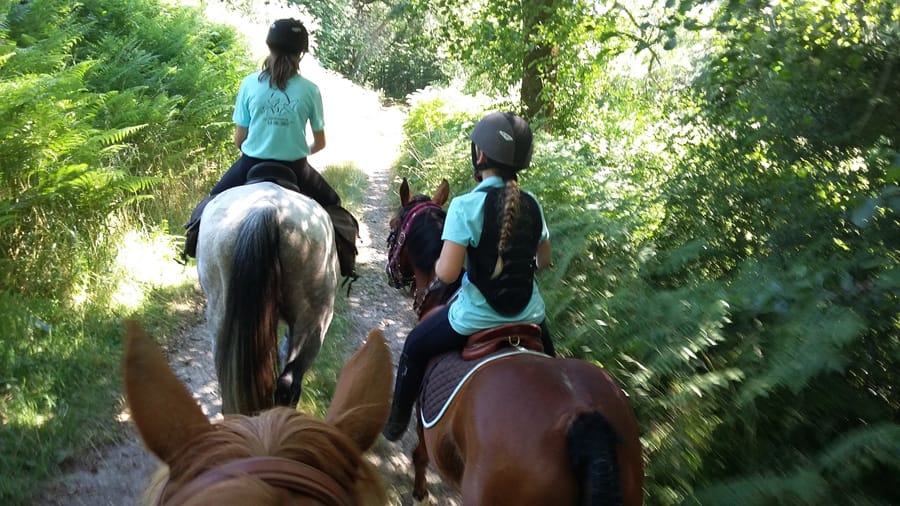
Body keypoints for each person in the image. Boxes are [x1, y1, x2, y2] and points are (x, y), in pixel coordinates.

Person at [383, 111, 555, 441]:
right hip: (531, 316)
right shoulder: (532, 202)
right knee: (554, 369)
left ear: (481, 155)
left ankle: (396, 423)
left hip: (473, 319)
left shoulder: (465, 206)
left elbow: (446, 273)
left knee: (415, 345)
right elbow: (543, 260)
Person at [182, 18, 358, 283]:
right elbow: (320, 143)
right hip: (297, 168)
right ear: (301, 53)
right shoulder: (310, 90)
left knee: (210, 203)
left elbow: (239, 140)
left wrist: (263, 145)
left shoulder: (249, 84)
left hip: (251, 163)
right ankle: (346, 265)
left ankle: (191, 250)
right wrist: (296, 149)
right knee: (334, 206)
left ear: (270, 47)